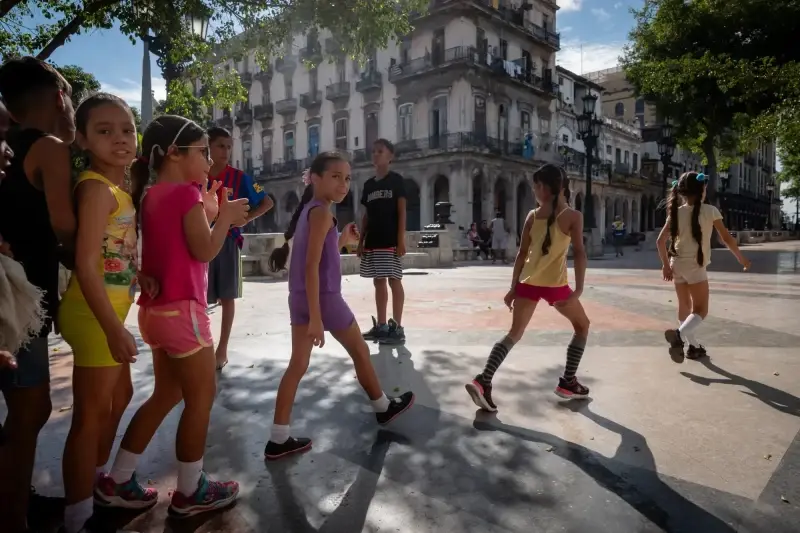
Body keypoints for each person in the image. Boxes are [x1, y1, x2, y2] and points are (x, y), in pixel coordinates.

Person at [96, 116, 249, 517]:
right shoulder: (185, 195)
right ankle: (190, 489)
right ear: (177, 154)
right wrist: (226, 219)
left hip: (155, 315)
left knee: (165, 394)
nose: (210, 162)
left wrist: (212, 212)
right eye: (202, 152)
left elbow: (181, 242)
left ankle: (119, 477)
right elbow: (204, 251)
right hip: (185, 313)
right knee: (201, 398)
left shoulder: (152, 195)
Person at [264, 152, 414, 460]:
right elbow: (311, 266)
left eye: (347, 178)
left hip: (300, 298)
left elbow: (316, 257)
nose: (343, 184)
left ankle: (278, 437)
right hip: (325, 298)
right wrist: (318, 317)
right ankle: (383, 408)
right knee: (360, 352)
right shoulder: (321, 213)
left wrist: (341, 238)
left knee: (297, 366)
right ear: (315, 178)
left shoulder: (311, 209)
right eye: (335, 177)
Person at [54, 93, 156, 533]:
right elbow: (86, 264)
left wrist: (139, 275)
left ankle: (96, 481)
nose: (120, 138)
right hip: (95, 315)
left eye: (127, 129)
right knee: (90, 415)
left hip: (108, 309)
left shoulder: (118, 188)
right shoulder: (95, 187)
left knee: (119, 397)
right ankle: (78, 515)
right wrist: (115, 328)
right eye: (104, 130)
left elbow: (113, 252)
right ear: (82, 139)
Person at [0, 56, 77, 533]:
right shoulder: (48, 148)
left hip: (13, 294)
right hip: (21, 300)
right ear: (59, 99)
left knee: (25, 404)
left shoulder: (8, 145)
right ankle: (13, 516)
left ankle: (17, 495)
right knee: (31, 406)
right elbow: (64, 226)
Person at [465, 164, 591, 412]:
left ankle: (483, 380)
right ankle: (568, 381)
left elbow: (521, 255)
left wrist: (514, 287)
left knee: (513, 333)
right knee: (582, 326)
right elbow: (580, 253)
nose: (535, 190)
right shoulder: (573, 217)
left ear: (544, 188)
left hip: (527, 284)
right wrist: (578, 290)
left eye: (535, 186)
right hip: (556, 286)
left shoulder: (532, 216)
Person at [657, 172, 750, 363]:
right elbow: (726, 238)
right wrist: (742, 259)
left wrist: (665, 266)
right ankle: (679, 336)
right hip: (695, 265)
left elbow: (660, 242)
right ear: (701, 190)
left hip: (677, 264)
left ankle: (694, 347)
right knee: (701, 310)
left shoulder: (676, 212)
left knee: (684, 307)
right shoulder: (710, 210)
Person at [206, 127, 274, 369]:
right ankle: (200, 348)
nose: (225, 151)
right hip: (200, 240)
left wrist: (246, 218)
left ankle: (221, 349)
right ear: (208, 147)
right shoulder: (197, 176)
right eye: (220, 146)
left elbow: (267, 201)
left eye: (228, 146)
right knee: (198, 297)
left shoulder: (239, 177)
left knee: (227, 296)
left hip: (227, 241)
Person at [358, 139, 407, 345]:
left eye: (380, 151)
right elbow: (366, 215)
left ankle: (397, 326)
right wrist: (361, 241)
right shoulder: (369, 185)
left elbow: (402, 211)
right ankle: (381, 325)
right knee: (378, 281)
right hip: (373, 239)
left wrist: (401, 239)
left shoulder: (396, 181)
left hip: (390, 239)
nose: (376, 155)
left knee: (393, 279)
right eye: (374, 151)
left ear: (390, 156)